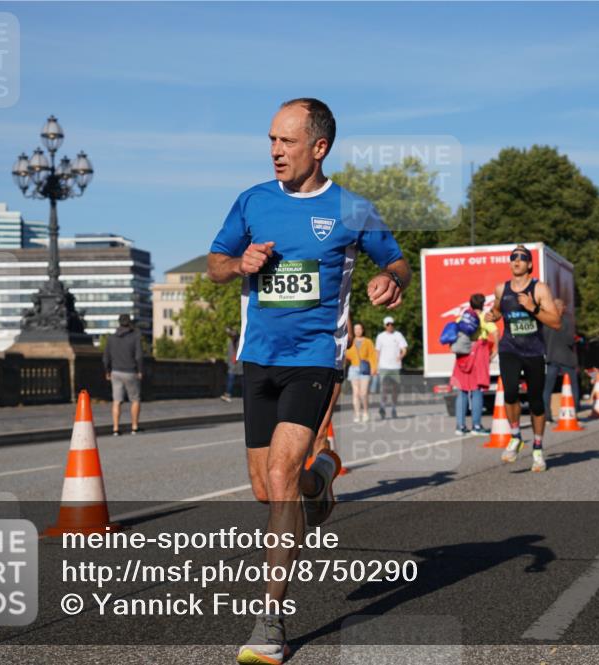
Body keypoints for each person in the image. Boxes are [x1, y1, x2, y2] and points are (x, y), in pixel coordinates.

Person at [206, 97, 411, 665]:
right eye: (271, 140)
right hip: (259, 358)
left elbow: (397, 263)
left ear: (319, 147)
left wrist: (391, 283)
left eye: (287, 142)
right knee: (269, 490)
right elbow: (216, 263)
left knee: (279, 473)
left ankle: (269, 623)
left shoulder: (351, 208)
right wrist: (239, 263)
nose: (275, 151)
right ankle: (323, 476)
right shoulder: (252, 201)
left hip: (316, 356)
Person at [486, 245, 562, 472]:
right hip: (510, 349)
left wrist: (533, 308)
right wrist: (493, 315)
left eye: (521, 258)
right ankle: (516, 436)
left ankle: (537, 449)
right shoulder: (502, 288)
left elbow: (556, 322)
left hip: (534, 351)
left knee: (536, 400)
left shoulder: (539, 289)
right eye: (513, 258)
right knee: (509, 392)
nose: (516, 261)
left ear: (529, 264)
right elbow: (498, 310)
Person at [451, 293, 497, 435]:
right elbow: (496, 334)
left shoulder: (461, 317)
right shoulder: (484, 317)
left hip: (463, 355)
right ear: (483, 304)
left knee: (462, 390)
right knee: (477, 391)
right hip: (479, 353)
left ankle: (460, 426)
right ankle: (476, 426)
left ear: (470, 304)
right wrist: (493, 354)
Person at [103, 313, 143, 435]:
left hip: (115, 372)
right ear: (129, 323)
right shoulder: (135, 337)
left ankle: (115, 428)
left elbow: (106, 357)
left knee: (117, 400)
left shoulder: (111, 338)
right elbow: (139, 356)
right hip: (130, 371)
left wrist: (107, 371)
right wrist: (140, 370)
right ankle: (134, 427)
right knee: (135, 399)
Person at [542, 298, 580, 424]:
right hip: (566, 359)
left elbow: (543, 340)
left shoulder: (546, 322)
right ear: (559, 307)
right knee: (573, 386)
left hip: (552, 357)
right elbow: (569, 340)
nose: (565, 308)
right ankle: (573, 413)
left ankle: (546, 416)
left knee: (548, 388)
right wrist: (577, 340)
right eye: (563, 306)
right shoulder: (566, 321)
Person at [375, 316, 408, 419]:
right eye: (388, 324)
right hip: (384, 366)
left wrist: (401, 355)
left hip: (395, 367)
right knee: (384, 388)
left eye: (392, 324)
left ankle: (393, 408)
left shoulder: (398, 335)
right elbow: (377, 351)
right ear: (385, 325)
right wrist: (377, 365)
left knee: (395, 389)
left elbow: (404, 349)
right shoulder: (380, 336)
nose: (390, 326)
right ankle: (383, 407)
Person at [345, 322, 376, 423]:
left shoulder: (368, 342)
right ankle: (357, 414)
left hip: (365, 369)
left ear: (363, 330)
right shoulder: (350, 341)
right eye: (355, 329)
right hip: (353, 368)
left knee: (363, 393)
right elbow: (346, 354)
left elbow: (372, 355)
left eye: (359, 329)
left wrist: (374, 368)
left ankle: (366, 412)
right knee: (356, 393)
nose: (357, 331)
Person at [222, 327, 243, 402]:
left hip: (239, 365)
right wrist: (227, 362)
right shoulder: (230, 342)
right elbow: (228, 354)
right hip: (232, 365)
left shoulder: (240, 342)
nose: (232, 336)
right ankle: (227, 394)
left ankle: (245, 394)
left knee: (242, 381)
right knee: (230, 380)